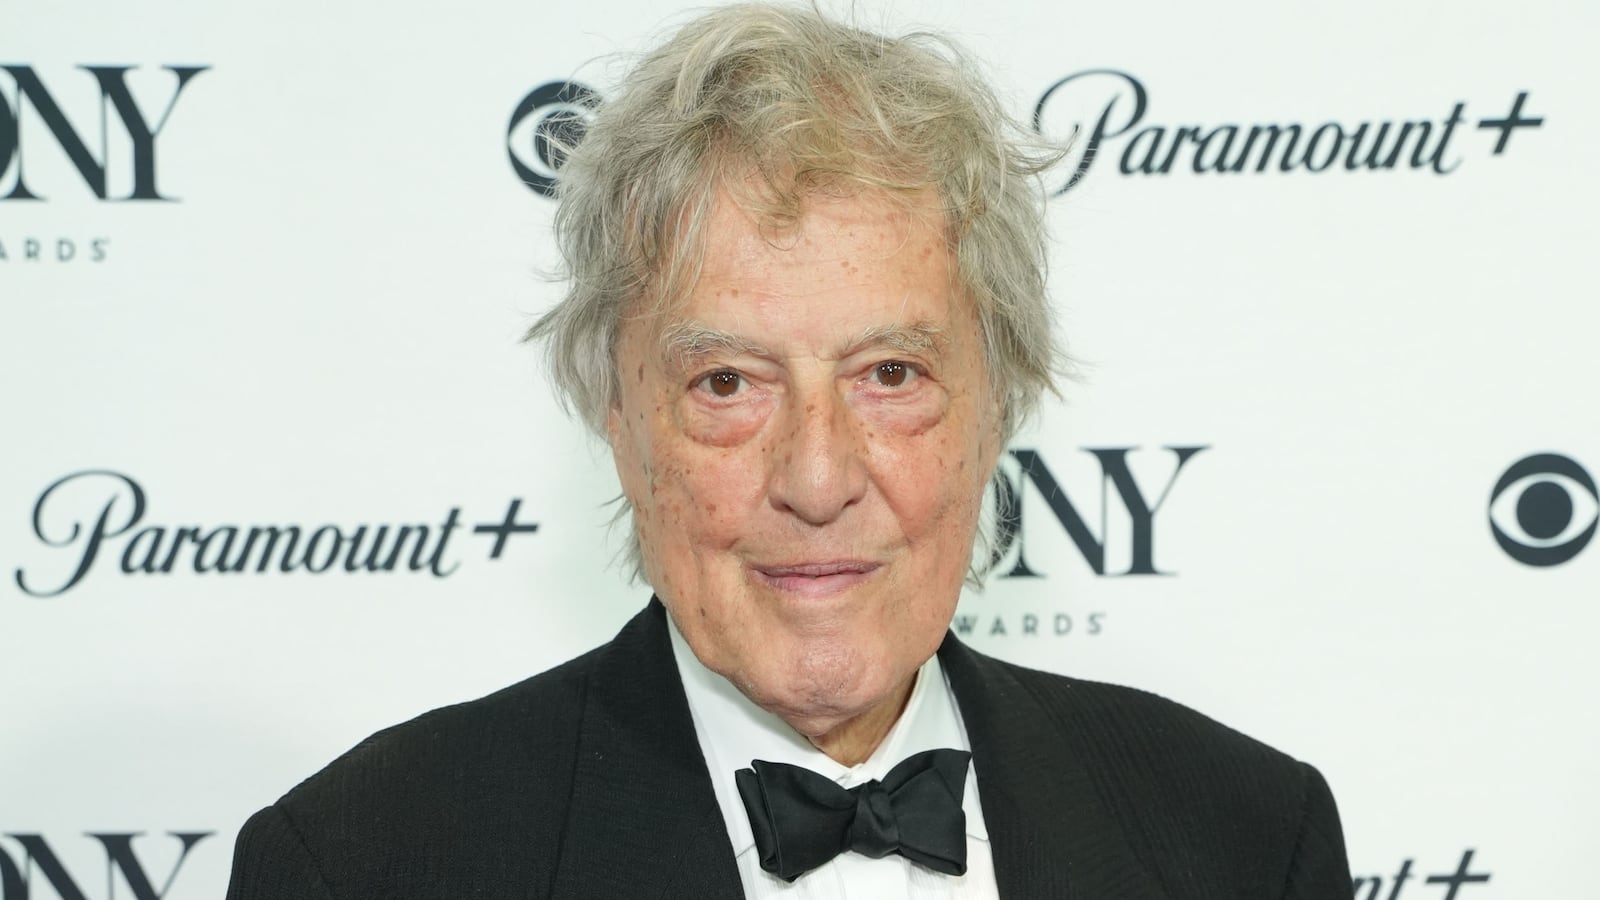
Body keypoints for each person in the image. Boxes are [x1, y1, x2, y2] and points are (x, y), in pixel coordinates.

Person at [226, 4, 1351, 898]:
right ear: (617, 418)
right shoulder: (366, 863)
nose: (817, 480)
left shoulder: (1246, 838)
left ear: (995, 405)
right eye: (727, 383)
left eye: (890, 375)